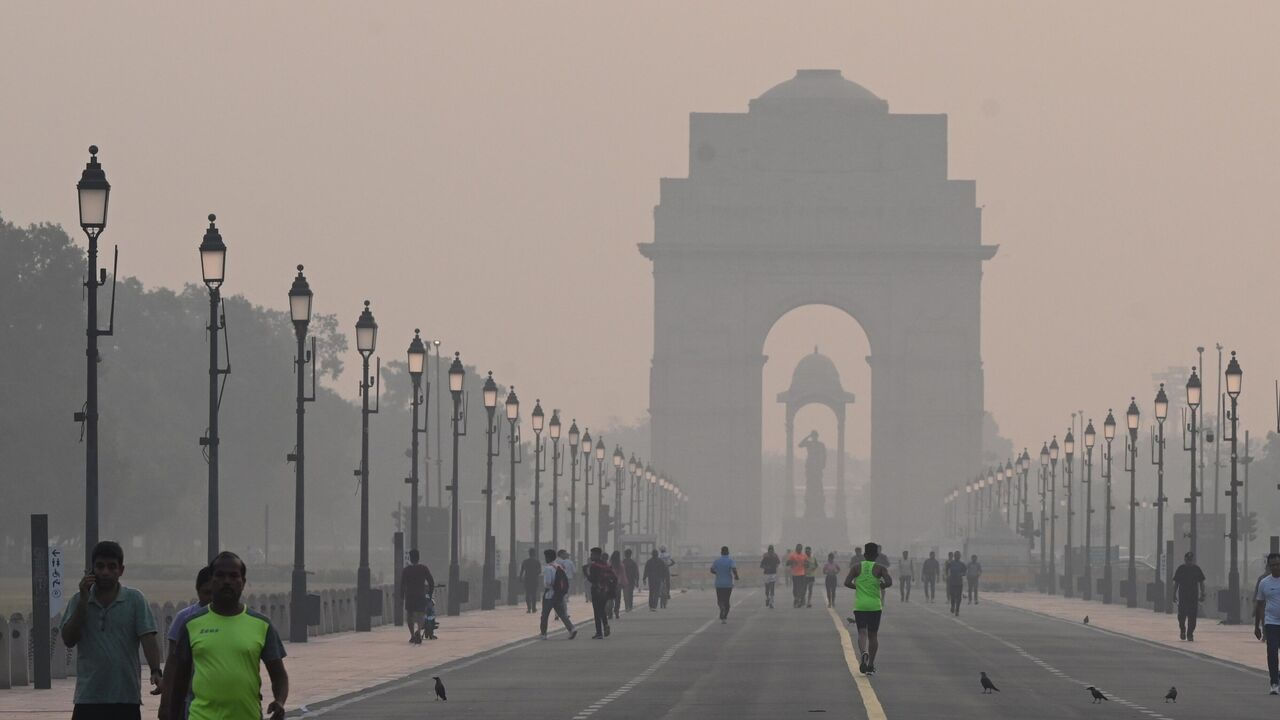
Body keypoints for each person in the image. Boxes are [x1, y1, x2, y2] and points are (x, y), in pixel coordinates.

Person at [167, 552, 288, 720]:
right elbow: (180, 680)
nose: (227, 581)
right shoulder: (191, 624)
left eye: (233, 576)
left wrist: (280, 701)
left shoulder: (262, 625)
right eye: (220, 575)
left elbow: (279, 675)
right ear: (212, 580)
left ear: (243, 582)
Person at [59, 540, 163, 720]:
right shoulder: (78, 600)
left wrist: (156, 670)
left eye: (111, 567)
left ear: (121, 570)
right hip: (88, 697)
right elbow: (69, 639)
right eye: (99, 566)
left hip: (125, 697)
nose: (105, 572)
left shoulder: (135, 600)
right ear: (91, 570)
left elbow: (148, 637)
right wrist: (84, 599)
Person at [159, 566, 214, 720]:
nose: (211, 598)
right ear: (198, 591)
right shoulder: (185, 618)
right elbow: (172, 663)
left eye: (214, 593)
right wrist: (165, 704)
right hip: (188, 699)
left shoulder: (232, 619)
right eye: (206, 593)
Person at [844, 542, 892, 675]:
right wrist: (880, 585)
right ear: (876, 555)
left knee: (862, 633)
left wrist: (858, 587)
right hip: (875, 606)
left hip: (860, 606)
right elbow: (889, 582)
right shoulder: (880, 568)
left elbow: (847, 582)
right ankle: (870, 664)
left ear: (864, 554)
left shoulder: (856, 567)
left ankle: (863, 653)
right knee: (873, 635)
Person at [1255, 552, 1280, 694]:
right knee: (1271, 652)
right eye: (1273, 565)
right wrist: (1257, 626)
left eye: (1278, 564)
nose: (1276, 568)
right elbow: (1259, 604)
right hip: (1271, 623)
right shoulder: (1264, 583)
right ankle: (1274, 683)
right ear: (1269, 566)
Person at [539, 549, 577, 639]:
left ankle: (543, 634)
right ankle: (572, 629)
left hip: (549, 594)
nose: (545, 559)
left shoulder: (548, 568)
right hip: (559, 594)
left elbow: (548, 582)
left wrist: (546, 586)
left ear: (548, 557)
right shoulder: (559, 566)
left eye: (546, 557)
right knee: (562, 613)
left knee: (545, 615)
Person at [400, 549, 435, 643]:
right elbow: (431, 582)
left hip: (410, 596)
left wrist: (401, 596)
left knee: (410, 616)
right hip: (420, 595)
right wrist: (430, 593)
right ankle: (419, 631)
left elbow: (402, 585)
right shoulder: (423, 568)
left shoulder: (406, 570)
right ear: (418, 558)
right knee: (421, 615)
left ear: (410, 558)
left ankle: (412, 635)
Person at [1171, 551, 1206, 641]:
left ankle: (1190, 634)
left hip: (1193, 597)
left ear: (1193, 560)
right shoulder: (1181, 569)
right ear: (1185, 560)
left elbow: (1201, 582)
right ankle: (1183, 629)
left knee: (1192, 617)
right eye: (1188, 560)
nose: (1189, 562)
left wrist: (1203, 593)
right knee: (1181, 616)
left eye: (1191, 560)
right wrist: (1174, 594)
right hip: (1183, 597)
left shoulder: (1197, 569)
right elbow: (1176, 583)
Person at [586, 547, 618, 638]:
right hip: (605, 591)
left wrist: (586, 573)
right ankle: (605, 625)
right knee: (602, 609)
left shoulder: (594, 566)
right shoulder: (606, 565)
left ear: (597, 555)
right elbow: (614, 578)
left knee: (597, 611)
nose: (591, 556)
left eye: (592, 554)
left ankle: (599, 632)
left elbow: (592, 580)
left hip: (596, 591)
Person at [710, 546, 740, 622]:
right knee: (727, 600)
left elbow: (711, 569)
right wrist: (736, 576)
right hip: (728, 584)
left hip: (719, 584)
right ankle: (724, 617)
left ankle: (721, 607)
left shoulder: (717, 561)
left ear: (721, 552)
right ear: (728, 552)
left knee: (720, 599)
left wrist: (717, 573)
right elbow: (734, 569)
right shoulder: (730, 560)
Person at [520, 548, 542, 614]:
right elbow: (540, 571)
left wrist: (520, 578)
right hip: (534, 579)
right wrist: (535, 574)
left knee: (527, 594)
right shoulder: (537, 561)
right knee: (534, 594)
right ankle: (534, 608)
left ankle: (529, 608)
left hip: (527, 579)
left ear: (529, 553)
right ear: (534, 553)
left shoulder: (525, 561)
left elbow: (522, 571)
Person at [786, 544, 807, 608]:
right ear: (796, 548)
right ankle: (796, 599)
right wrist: (791, 562)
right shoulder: (792, 555)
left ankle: (800, 599)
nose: (799, 550)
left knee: (802, 588)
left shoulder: (804, 555)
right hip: (795, 574)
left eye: (800, 549)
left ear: (801, 549)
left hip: (802, 573)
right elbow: (787, 563)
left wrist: (805, 564)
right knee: (795, 587)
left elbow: (807, 564)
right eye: (798, 548)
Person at [947, 551, 967, 616]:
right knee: (952, 596)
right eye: (956, 555)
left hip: (959, 583)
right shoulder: (951, 563)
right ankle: (953, 606)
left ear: (960, 556)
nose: (957, 556)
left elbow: (965, 572)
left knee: (959, 597)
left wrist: (961, 574)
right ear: (954, 556)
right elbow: (946, 570)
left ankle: (957, 610)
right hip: (952, 582)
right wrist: (947, 575)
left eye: (958, 555)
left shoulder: (962, 564)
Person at [610, 550, 625, 619]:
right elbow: (621, 575)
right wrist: (619, 582)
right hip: (618, 584)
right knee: (617, 599)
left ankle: (610, 612)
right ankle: (616, 612)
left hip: (610, 583)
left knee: (610, 598)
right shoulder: (621, 565)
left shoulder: (610, 564)